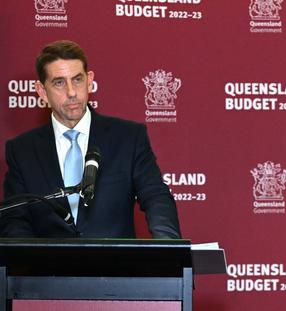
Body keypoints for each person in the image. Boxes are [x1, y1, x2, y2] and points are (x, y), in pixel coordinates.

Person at [2, 40, 181, 238]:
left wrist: (168, 251)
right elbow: (14, 220)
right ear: (42, 91)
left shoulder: (128, 138)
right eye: (59, 83)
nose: (71, 92)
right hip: (49, 268)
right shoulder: (22, 150)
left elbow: (156, 197)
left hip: (116, 266)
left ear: (89, 81)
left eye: (77, 80)